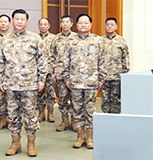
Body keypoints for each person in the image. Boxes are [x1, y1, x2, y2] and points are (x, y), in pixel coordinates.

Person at [0, 9, 47, 157]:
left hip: (29, 85)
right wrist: (1, 80)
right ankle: (15, 144)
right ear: (12, 21)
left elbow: (42, 61)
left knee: (30, 115)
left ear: (26, 21)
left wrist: (42, 79)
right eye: (17, 19)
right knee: (12, 116)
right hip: (11, 85)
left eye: (22, 19)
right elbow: (0, 62)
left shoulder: (35, 39)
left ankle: (31, 145)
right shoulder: (5, 40)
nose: (19, 21)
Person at [63, 14, 105, 149]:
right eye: (80, 23)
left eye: (86, 23)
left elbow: (102, 61)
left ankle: (90, 138)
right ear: (76, 25)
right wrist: (66, 78)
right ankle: (80, 137)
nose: (83, 25)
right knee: (77, 110)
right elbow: (65, 61)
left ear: (90, 25)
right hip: (75, 82)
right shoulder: (70, 40)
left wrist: (101, 78)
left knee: (90, 110)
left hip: (91, 82)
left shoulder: (97, 40)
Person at [50, 15, 77, 132]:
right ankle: (64, 121)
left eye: (67, 22)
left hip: (74, 74)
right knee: (62, 99)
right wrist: (53, 72)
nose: (65, 24)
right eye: (63, 22)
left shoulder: (76, 37)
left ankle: (75, 121)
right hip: (60, 74)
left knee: (75, 99)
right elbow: (51, 56)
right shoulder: (56, 39)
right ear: (60, 24)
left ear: (71, 24)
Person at [100, 17, 130, 114]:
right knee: (105, 100)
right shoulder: (100, 41)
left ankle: (115, 120)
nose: (109, 27)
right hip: (104, 76)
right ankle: (106, 119)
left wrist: (125, 73)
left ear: (116, 26)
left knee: (116, 100)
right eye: (107, 24)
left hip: (117, 76)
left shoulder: (121, 41)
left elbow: (125, 57)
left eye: (112, 25)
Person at [37, 17, 56, 123]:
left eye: (45, 24)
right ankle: (41, 114)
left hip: (50, 71)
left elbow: (56, 55)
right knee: (39, 93)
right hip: (38, 71)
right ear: (38, 26)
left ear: (49, 26)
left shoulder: (54, 38)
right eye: (41, 24)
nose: (43, 26)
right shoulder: (35, 38)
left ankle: (50, 114)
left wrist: (54, 71)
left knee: (50, 92)